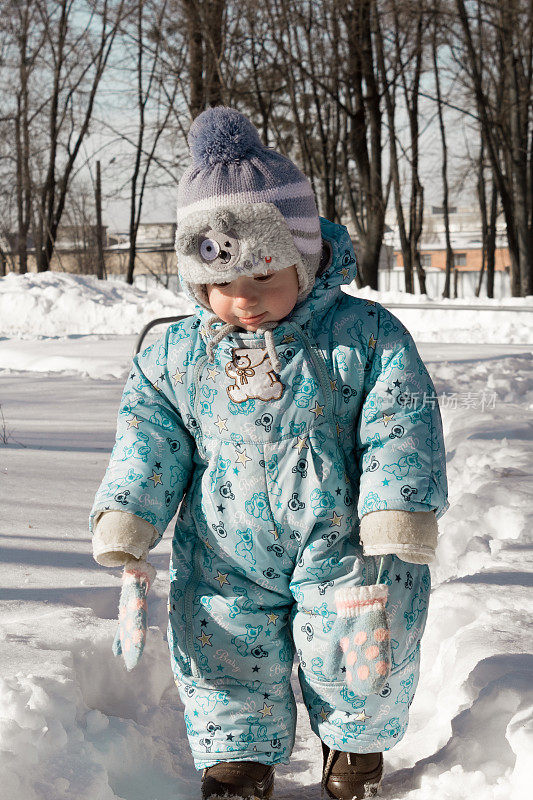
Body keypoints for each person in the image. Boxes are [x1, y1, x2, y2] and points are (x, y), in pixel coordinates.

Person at [90, 107, 448, 800]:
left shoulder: (362, 334)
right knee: (222, 641)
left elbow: (398, 417)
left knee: (354, 639)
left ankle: (351, 744)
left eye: (265, 279)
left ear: (306, 260)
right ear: (197, 280)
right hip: (225, 543)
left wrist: (395, 507)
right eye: (222, 285)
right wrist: (130, 513)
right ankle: (238, 752)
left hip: (342, 536)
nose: (243, 302)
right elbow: (150, 434)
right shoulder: (175, 353)